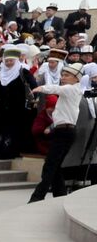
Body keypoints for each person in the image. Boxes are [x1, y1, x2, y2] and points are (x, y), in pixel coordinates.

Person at [28, 62, 84, 203]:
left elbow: (55, 88)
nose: (63, 77)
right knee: (55, 165)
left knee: (50, 165)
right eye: (62, 75)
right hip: (63, 131)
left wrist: (39, 88)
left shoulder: (71, 89)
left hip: (64, 132)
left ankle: (37, 198)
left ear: (76, 78)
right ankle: (60, 196)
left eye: (67, 75)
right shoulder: (72, 90)